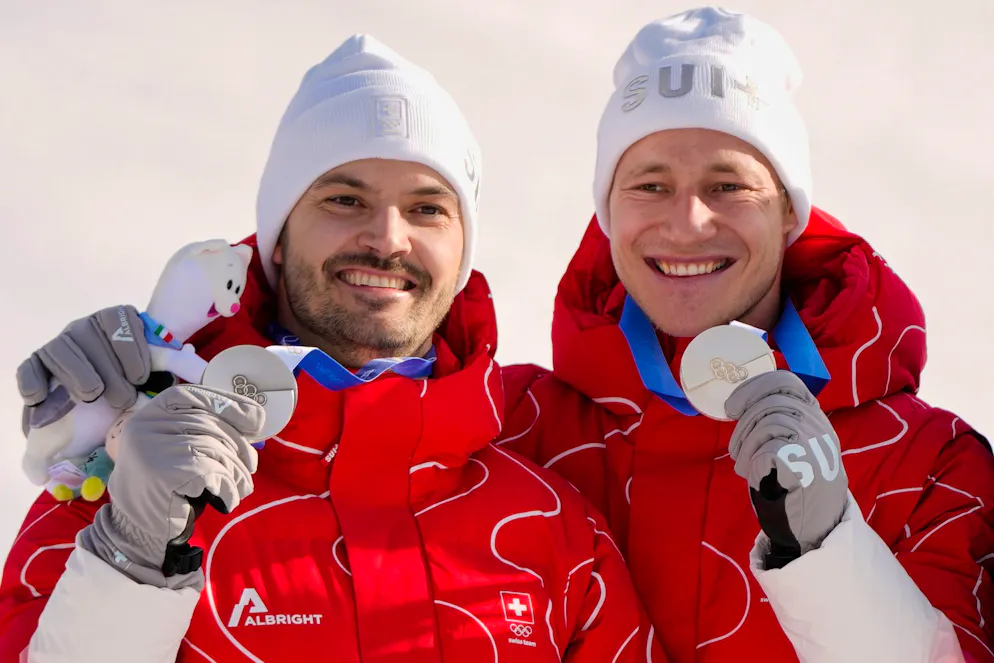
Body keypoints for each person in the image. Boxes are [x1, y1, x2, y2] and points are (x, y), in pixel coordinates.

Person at [0, 35, 656, 663]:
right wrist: (133, 554)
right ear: (277, 238)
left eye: (428, 209)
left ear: (463, 254)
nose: (388, 237)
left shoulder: (550, 523)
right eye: (344, 199)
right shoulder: (130, 475)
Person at [496, 7, 994, 663]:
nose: (687, 223)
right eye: (650, 185)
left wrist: (829, 551)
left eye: (728, 185)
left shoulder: (929, 461)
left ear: (788, 208)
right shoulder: (512, 430)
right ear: (607, 210)